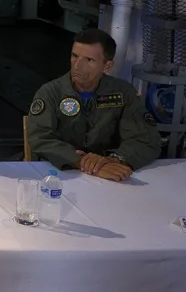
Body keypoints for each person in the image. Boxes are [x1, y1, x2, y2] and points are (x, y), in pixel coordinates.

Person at [27, 28, 161, 181]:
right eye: (74, 56)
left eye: (89, 60)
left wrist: (114, 159)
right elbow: (41, 138)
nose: (77, 66)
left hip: (109, 178)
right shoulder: (50, 93)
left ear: (107, 66)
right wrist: (82, 162)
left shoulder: (123, 93)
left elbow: (146, 140)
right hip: (61, 177)